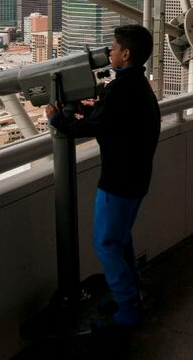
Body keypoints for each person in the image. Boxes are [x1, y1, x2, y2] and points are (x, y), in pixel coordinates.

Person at [44, 24, 161, 328]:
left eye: (113, 46)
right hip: (135, 177)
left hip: (118, 180)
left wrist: (58, 119)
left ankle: (128, 309)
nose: (109, 51)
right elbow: (108, 117)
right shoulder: (136, 84)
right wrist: (82, 107)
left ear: (126, 54)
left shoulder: (121, 89)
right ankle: (129, 293)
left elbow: (94, 126)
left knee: (106, 243)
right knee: (120, 240)